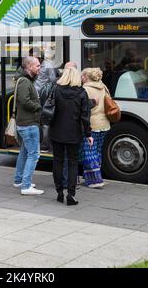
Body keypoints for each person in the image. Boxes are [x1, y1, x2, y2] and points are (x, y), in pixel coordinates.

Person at [49, 67, 92, 205]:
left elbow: (49, 109)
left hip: (56, 132)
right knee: (73, 162)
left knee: (58, 161)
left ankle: (59, 192)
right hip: (74, 133)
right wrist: (88, 134)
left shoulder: (56, 90)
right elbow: (85, 116)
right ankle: (71, 194)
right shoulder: (82, 93)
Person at [14, 56, 44, 195]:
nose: (39, 67)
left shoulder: (26, 80)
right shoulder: (25, 82)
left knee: (24, 152)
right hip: (29, 124)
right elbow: (24, 101)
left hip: (26, 123)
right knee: (34, 154)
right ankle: (25, 186)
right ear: (29, 67)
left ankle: (19, 180)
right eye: (37, 65)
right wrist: (38, 106)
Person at [81, 67, 111, 188]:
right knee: (97, 151)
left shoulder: (85, 89)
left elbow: (83, 108)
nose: (81, 78)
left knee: (89, 152)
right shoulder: (103, 87)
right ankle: (92, 178)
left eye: (82, 76)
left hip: (92, 125)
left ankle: (95, 181)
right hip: (105, 124)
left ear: (86, 77)